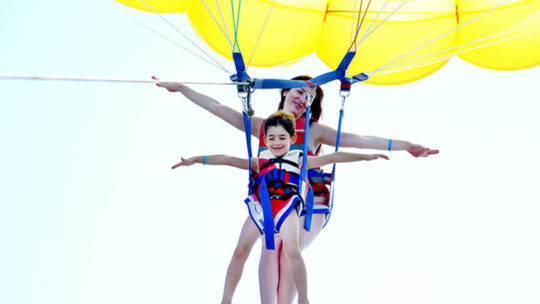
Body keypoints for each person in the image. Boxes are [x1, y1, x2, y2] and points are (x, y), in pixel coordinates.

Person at [154, 75, 438, 304]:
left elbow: (360, 141)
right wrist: (182, 88)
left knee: (286, 249)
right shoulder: (263, 127)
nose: (304, 99)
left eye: (309, 97)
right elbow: (219, 109)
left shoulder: (314, 131)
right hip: (268, 198)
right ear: (285, 93)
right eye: (299, 92)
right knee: (268, 247)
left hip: (309, 199)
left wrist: (405, 146)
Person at [171, 111, 389, 304]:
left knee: (292, 250)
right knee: (240, 251)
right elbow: (228, 159)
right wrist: (198, 159)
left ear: (292, 139)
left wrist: (365, 157)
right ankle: (225, 300)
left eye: (282, 138)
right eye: (271, 138)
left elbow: (333, 156)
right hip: (262, 209)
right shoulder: (260, 160)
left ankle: (303, 299)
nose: (275, 143)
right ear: (265, 139)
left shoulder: (299, 158)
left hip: (285, 208)